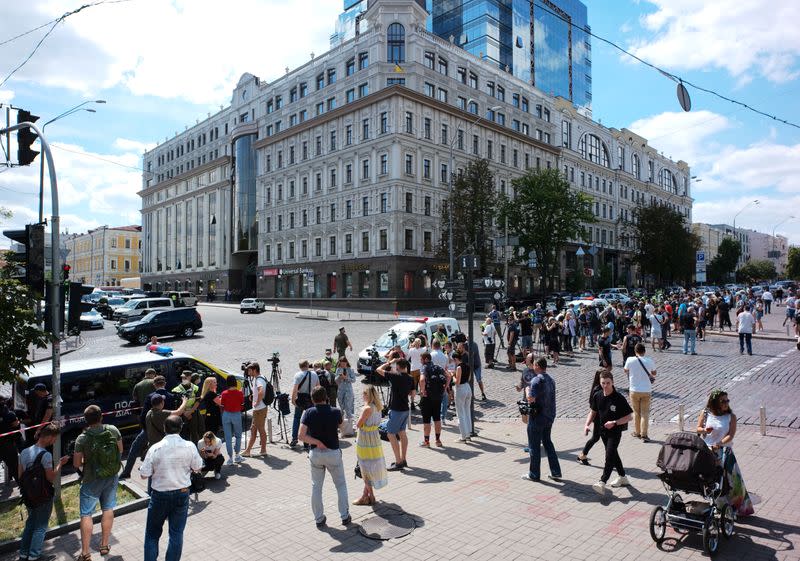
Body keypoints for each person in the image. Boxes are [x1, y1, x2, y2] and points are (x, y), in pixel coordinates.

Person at [140, 415, 203, 561]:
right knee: (176, 533)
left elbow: (144, 475)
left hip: (160, 495)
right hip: (182, 493)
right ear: (181, 428)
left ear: (164, 429)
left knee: (152, 534)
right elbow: (198, 467)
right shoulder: (190, 446)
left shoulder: (155, 448)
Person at [74, 405, 123, 560]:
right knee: (108, 509)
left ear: (86, 420)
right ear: (101, 417)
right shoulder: (113, 430)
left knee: (86, 514)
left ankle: (85, 553)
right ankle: (104, 545)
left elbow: (76, 464)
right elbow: (120, 450)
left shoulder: (82, 438)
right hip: (111, 476)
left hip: (91, 479)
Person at [696, 390, 754, 516]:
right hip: (707, 451)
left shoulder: (731, 417)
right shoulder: (705, 413)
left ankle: (741, 508)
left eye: (727, 400)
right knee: (712, 480)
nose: (726, 403)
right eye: (723, 401)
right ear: (715, 402)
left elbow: (731, 435)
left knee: (733, 482)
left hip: (724, 452)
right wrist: (705, 430)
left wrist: (720, 443)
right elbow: (698, 429)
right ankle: (718, 506)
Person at [299, 387, 351, 527]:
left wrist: (317, 442)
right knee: (340, 485)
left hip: (316, 454)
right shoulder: (335, 411)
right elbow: (343, 429)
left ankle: (319, 518)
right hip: (333, 452)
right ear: (326, 397)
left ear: (312, 398)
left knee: (316, 486)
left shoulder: (308, 413)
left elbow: (301, 436)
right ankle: (345, 516)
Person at [18, 423, 68, 561]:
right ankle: (34, 556)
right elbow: (51, 478)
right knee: (40, 527)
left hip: (28, 496)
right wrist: (59, 464)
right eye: (54, 438)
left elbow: (20, 476)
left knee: (30, 524)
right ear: (49, 437)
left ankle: (23, 554)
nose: (54, 441)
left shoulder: (24, 452)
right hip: (43, 496)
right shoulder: (46, 455)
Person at [587, 371, 633, 495]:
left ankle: (602, 481)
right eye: (603, 383)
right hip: (603, 432)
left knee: (609, 455)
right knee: (613, 454)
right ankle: (623, 477)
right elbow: (593, 412)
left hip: (615, 432)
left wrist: (615, 422)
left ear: (613, 382)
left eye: (608, 383)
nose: (605, 385)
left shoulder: (618, 398)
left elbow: (629, 417)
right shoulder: (597, 395)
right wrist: (587, 424)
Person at [521, 357, 562, 482]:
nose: (533, 366)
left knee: (534, 445)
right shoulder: (551, 379)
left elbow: (531, 399)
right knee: (548, 443)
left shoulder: (536, 380)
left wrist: (527, 390)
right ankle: (555, 471)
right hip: (549, 416)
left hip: (537, 417)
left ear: (538, 365)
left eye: (534, 364)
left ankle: (534, 474)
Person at [376, 357, 414, 470]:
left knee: (391, 434)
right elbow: (413, 393)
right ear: (406, 367)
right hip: (405, 408)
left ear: (397, 367)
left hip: (396, 409)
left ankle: (398, 462)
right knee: (402, 433)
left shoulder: (395, 376)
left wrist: (389, 362)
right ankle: (403, 459)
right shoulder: (410, 378)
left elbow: (378, 369)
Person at [354, 385, 388, 505]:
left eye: (363, 394)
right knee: (371, 466)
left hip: (365, 440)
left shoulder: (367, 408)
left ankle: (370, 496)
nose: (362, 396)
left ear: (367, 395)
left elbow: (358, 424)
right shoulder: (378, 407)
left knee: (365, 468)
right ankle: (365, 495)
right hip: (375, 439)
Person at [623, 343, 656, 442]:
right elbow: (654, 373)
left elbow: (625, 370)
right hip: (646, 390)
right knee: (645, 413)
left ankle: (637, 432)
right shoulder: (649, 361)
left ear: (635, 351)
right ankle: (644, 435)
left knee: (636, 412)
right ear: (644, 351)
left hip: (634, 389)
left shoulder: (630, 360)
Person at [418, 352, 449, 448]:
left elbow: (422, 380)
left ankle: (426, 442)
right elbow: (449, 376)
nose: (420, 361)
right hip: (437, 396)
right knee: (437, 419)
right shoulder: (438, 367)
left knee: (426, 420)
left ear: (426, 359)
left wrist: (423, 391)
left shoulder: (424, 367)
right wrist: (445, 388)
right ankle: (438, 440)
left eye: (421, 359)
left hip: (427, 398)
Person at [576, 369, 604, 465]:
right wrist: (587, 424)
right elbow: (593, 409)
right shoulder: (597, 390)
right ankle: (583, 454)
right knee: (596, 438)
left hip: (603, 418)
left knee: (597, 438)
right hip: (599, 419)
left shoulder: (603, 387)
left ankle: (583, 455)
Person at [290, 360, 319, 448]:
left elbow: (295, 389)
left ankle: (294, 438)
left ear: (300, 366)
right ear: (307, 365)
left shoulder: (298, 375)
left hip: (301, 399)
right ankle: (307, 441)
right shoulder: (314, 374)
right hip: (311, 399)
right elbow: (318, 387)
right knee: (309, 420)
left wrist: (293, 400)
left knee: (297, 418)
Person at [242, 362, 268, 457]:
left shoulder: (258, 380)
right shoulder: (260, 378)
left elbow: (261, 391)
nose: (248, 372)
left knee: (260, 429)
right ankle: (248, 450)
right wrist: (253, 396)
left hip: (259, 409)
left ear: (254, 370)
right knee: (253, 429)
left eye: (249, 370)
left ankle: (263, 450)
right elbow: (259, 392)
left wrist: (256, 402)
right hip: (259, 408)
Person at [216, 376, 244, 464]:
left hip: (226, 415)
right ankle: (237, 455)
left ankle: (230, 458)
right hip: (236, 414)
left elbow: (222, 405)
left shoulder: (224, 393)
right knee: (238, 435)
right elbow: (242, 405)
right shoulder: (240, 393)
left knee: (228, 437)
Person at [172, 372, 201, 442]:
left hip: (193, 412)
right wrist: (185, 413)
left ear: (190, 378)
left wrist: (190, 411)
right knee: (183, 432)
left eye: (185, 378)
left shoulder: (196, 388)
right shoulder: (176, 389)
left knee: (194, 432)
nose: (183, 379)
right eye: (182, 377)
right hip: (182, 413)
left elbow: (198, 401)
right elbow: (176, 404)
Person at [0, 397, 20, 485]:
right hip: (8, 444)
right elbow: (16, 425)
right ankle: (24, 490)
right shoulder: (9, 413)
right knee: (15, 468)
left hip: (6, 444)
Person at [335, 357, 356, 437]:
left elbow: (354, 380)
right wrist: (340, 377)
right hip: (340, 391)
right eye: (341, 363)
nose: (343, 364)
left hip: (348, 391)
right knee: (341, 408)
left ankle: (349, 428)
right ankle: (343, 427)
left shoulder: (350, 370)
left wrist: (346, 378)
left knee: (348, 407)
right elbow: (335, 381)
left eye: (344, 362)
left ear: (346, 362)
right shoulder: (338, 369)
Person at [407, 338, 426, 410]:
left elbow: (407, 358)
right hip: (420, 369)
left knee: (413, 387)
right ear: (420, 343)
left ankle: (412, 402)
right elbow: (427, 346)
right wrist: (425, 338)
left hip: (413, 369)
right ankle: (421, 402)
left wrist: (411, 345)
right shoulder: (422, 350)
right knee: (421, 386)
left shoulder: (411, 350)